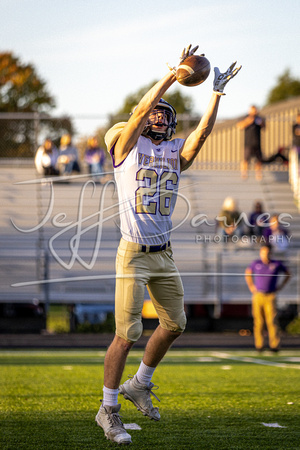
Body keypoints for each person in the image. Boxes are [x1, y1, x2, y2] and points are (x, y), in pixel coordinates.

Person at [95, 44, 241, 445]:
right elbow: (141, 111)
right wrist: (172, 75)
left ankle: (139, 384)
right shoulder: (126, 147)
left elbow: (204, 132)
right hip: (133, 253)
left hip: (164, 253)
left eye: (163, 113)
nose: (157, 116)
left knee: (175, 324)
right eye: (153, 113)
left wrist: (215, 93)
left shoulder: (175, 153)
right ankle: (108, 410)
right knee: (126, 334)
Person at [245, 243, 291, 352]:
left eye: (267, 252)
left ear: (271, 253)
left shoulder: (276, 264)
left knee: (272, 321)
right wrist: (251, 286)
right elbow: (248, 273)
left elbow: (288, 274)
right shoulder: (256, 263)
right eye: (263, 252)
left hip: (270, 295)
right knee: (258, 321)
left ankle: (274, 345)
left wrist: (280, 286)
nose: (265, 255)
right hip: (258, 295)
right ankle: (259, 345)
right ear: (261, 253)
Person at [237, 105, 265, 181]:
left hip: (257, 143)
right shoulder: (245, 117)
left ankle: (258, 174)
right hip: (248, 143)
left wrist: (260, 122)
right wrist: (249, 121)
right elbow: (240, 126)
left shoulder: (259, 118)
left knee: (259, 160)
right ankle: (244, 174)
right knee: (245, 159)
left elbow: (264, 126)